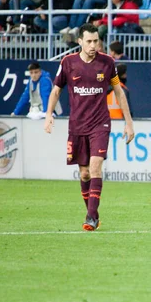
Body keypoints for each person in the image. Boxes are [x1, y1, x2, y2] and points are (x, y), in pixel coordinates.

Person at [43, 23, 134, 232]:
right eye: (90, 41)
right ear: (80, 42)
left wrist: (128, 123)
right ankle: (94, 213)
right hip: (77, 125)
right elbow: (56, 91)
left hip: (100, 124)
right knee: (84, 174)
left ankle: (91, 217)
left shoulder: (108, 62)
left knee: (95, 167)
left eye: (97, 41)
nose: (94, 45)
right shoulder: (68, 63)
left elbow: (119, 92)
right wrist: (49, 115)